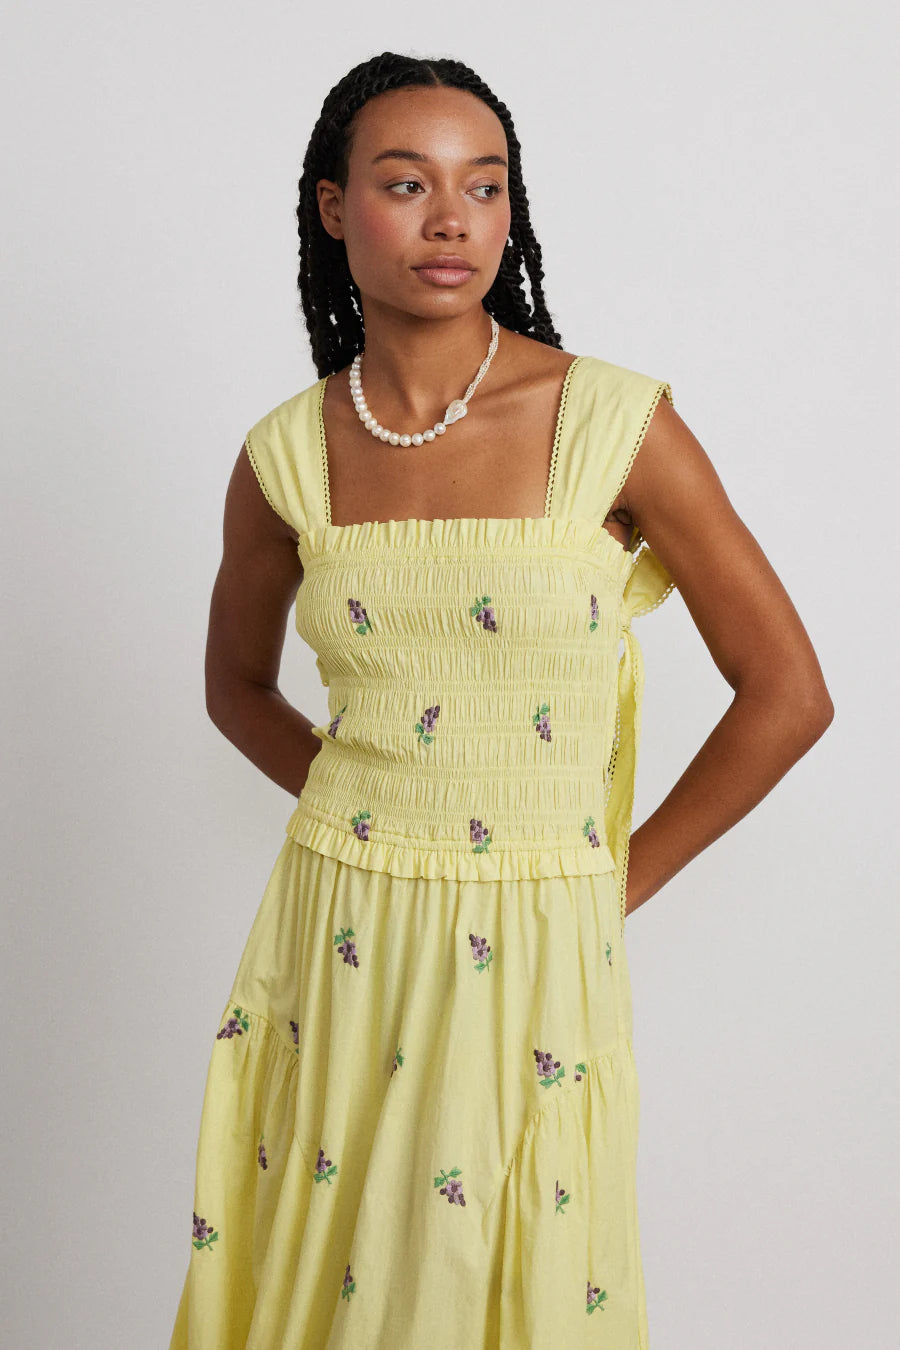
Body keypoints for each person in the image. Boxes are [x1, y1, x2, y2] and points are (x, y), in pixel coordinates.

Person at [169, 51, 833, 1350]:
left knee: (514, 1267)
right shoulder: (285, 455)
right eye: (405, 183)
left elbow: (789, 692)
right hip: (339, 920)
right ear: (332, 207)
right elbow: (234, 688)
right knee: (331, 1260)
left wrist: (611, 881)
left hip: (539, 925)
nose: (452, 219)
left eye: (484, 185)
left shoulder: (613, 425)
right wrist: (378, 806)